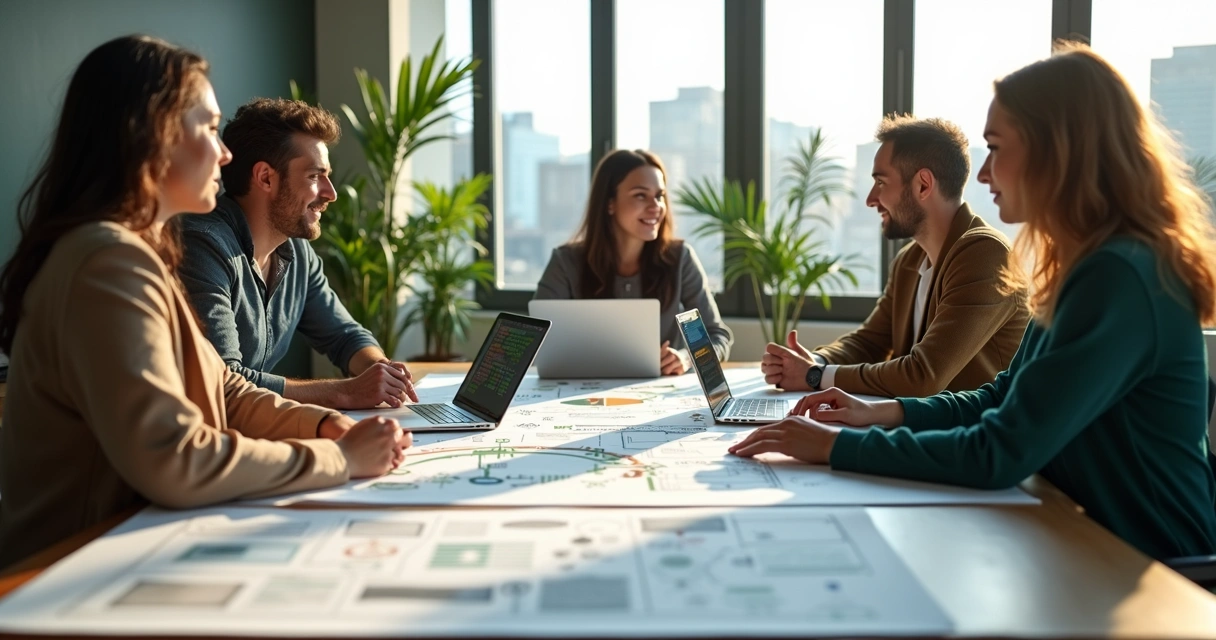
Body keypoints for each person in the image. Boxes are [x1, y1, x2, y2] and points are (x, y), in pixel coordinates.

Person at [730, 43, 1216, 560]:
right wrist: (881, 414)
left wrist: (834, 446)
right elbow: (1000, 396)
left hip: (1152, 565)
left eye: (997, 148)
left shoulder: (1119, 276)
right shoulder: (1086, 267)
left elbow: (1000, 450)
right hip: (1079, 537)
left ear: (1058, 151)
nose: (983, 175)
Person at [0, 35, 411, 569]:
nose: (224, 153)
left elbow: (223, 386)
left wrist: (321, 424)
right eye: (211, 129)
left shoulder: (136, 251)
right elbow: (172, 458)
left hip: (122, 546)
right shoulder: (107, 262)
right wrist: (336, 458)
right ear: (155, 135)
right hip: (68, 569)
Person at [760, 116, 1030, 398]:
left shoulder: (986, 255)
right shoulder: (909, 261)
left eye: (880, 182)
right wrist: (815, 362)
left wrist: (815, 377)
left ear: (923, 185)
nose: (870, 199)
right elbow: (870, 341)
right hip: (921, 432)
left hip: (973, 437)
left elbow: (923, 376)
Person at [178, 98, 418, 410]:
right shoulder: (203, 247)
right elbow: (222, 380)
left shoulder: (296, 252)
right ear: (266, 177)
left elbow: (344, 336)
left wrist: (381, 371)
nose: (331, 193)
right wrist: (345, 392)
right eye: (315, 175)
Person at [534, 149, 732, 374]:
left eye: (659, 196)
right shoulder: (566, 262)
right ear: (610, 203)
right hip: (582, 394)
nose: (655, 206)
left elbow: (716, 337)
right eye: (640, 195)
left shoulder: (679, 259)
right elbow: (537, 342)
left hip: (660, 395)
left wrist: (686, 358)